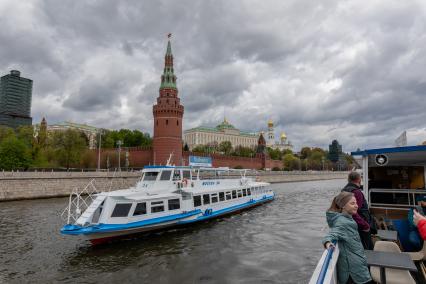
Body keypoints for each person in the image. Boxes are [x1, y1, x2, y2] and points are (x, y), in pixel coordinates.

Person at [323, 192, 372, 284]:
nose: (356, 206)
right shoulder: (343, 222)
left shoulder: (347, 218)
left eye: (356, 203)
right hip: (354, 272)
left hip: (357, 265)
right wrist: (328, 242)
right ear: (343, 206)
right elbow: (331, 234)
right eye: (352, 203)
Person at [341, 171, 374, 249]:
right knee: (366, 247)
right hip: (360, 227)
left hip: (350, 225)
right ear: (359, 179)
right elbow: (354, 212)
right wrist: (365, 225)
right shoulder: (356, 192)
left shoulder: (344, 190)